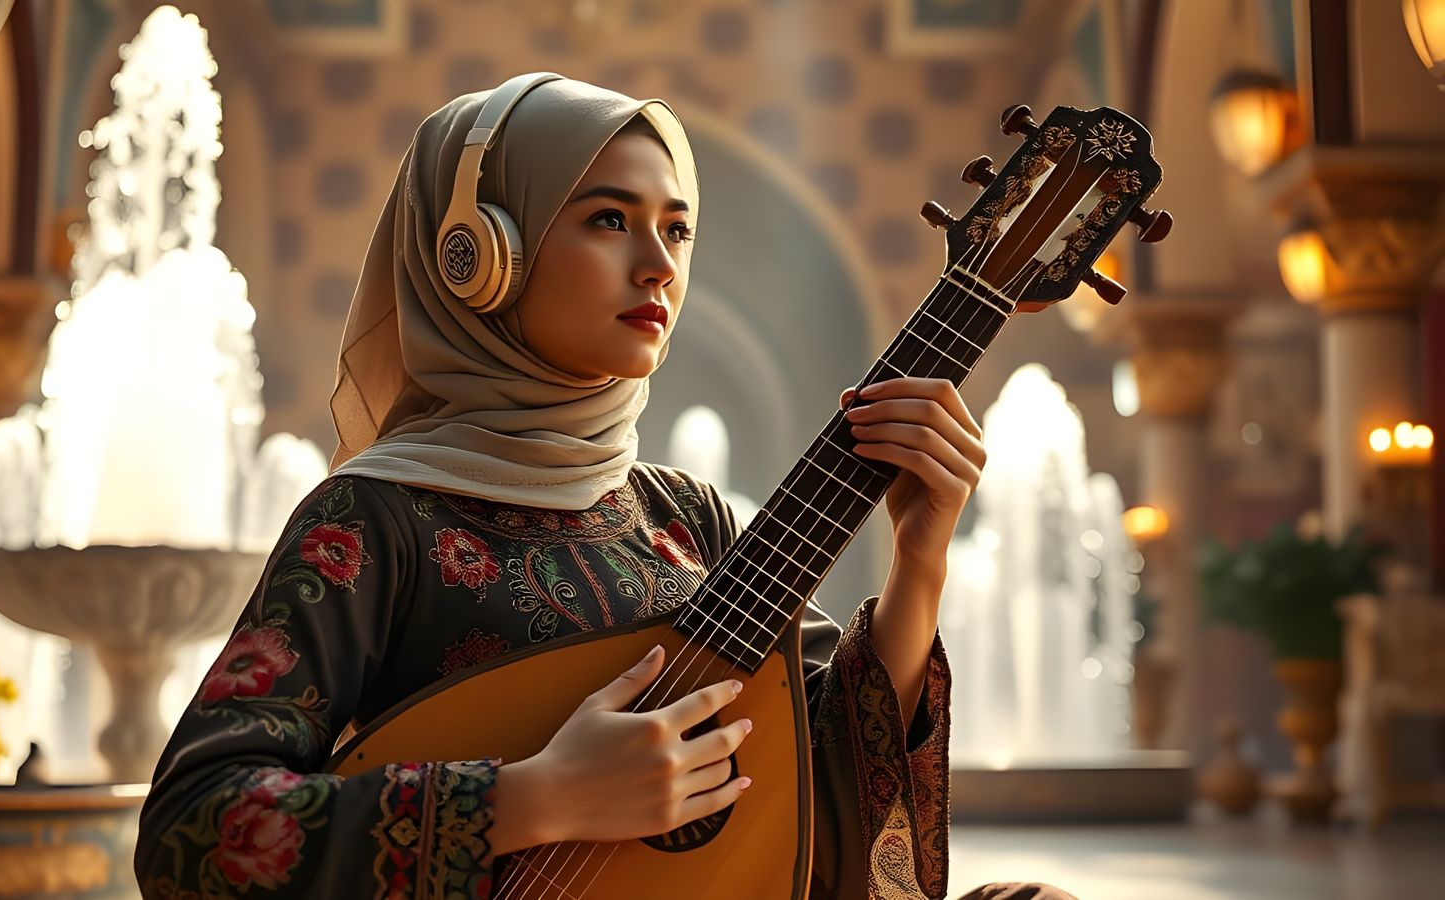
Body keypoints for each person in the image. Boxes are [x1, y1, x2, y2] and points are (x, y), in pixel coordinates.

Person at [134, 74, 1075, 900]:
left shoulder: (687, 517)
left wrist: (920, 562)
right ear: (480, 255)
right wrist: (528, 801)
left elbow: (831, 773)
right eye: (609, 220)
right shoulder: (375, 518)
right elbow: (194, 832)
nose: (660, 264)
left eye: (675, 229)